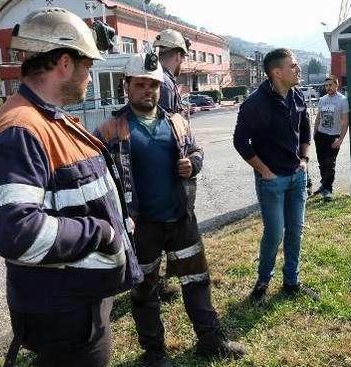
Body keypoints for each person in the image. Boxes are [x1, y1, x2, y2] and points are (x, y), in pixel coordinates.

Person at [0, 7, 141, 367]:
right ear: (65, 64)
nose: (89, 76)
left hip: (77, 297)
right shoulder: (21, 130)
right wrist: (102, 233)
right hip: (63, 309)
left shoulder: (49, 118)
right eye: (88, 66)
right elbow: (15, 232)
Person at [96, 54, 246, 367]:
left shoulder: (177, 122)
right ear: (127, 86)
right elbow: (99, 180)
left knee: (197, 280)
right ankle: (154, 353)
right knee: (144, 291)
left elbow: (196, 151)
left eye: (153, 84)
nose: (148, 90)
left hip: (181, 218)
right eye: (141, 84)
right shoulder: (110, 130)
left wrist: (192, 164)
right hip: (141, 226)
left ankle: (210, 339)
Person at [233, 48, 320, 305]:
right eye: (293, 66)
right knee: (274, 234)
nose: (298, 69)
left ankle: (292, 282)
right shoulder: (255, 104)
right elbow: (240, 142)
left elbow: (305, 128)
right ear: (276, 72)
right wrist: (264, 171)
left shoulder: (297, 95)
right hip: (272, 181)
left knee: (295, 231)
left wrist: (304, 159)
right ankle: (262, 282)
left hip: (297, 177)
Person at [151, 28, 192, 302]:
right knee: (168, 223)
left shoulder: (159, 78)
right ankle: (156, 284)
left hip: (162, 163)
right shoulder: (164, 83)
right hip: (168, 164)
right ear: (177, 54)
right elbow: (165, 127)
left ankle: (156, 280)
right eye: (183, 57)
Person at [312, 75, 349, 200]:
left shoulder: (342, 100)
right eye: (326, 85)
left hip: (333, 136)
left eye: (330, 85)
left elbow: (345, 121)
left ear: (336, 85)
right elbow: (318, 117)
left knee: (329, 163)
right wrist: (315, 132)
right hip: (320, 135)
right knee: (322, 162)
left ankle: (328, 189)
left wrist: (340, 140)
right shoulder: (322, 99)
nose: (328, 87)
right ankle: (324, 185)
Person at [153, 28, 190, 114]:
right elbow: (165, 125)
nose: (183, 61)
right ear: (178, 56)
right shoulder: (165, 84)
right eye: (183, 57)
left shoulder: (154, 77)